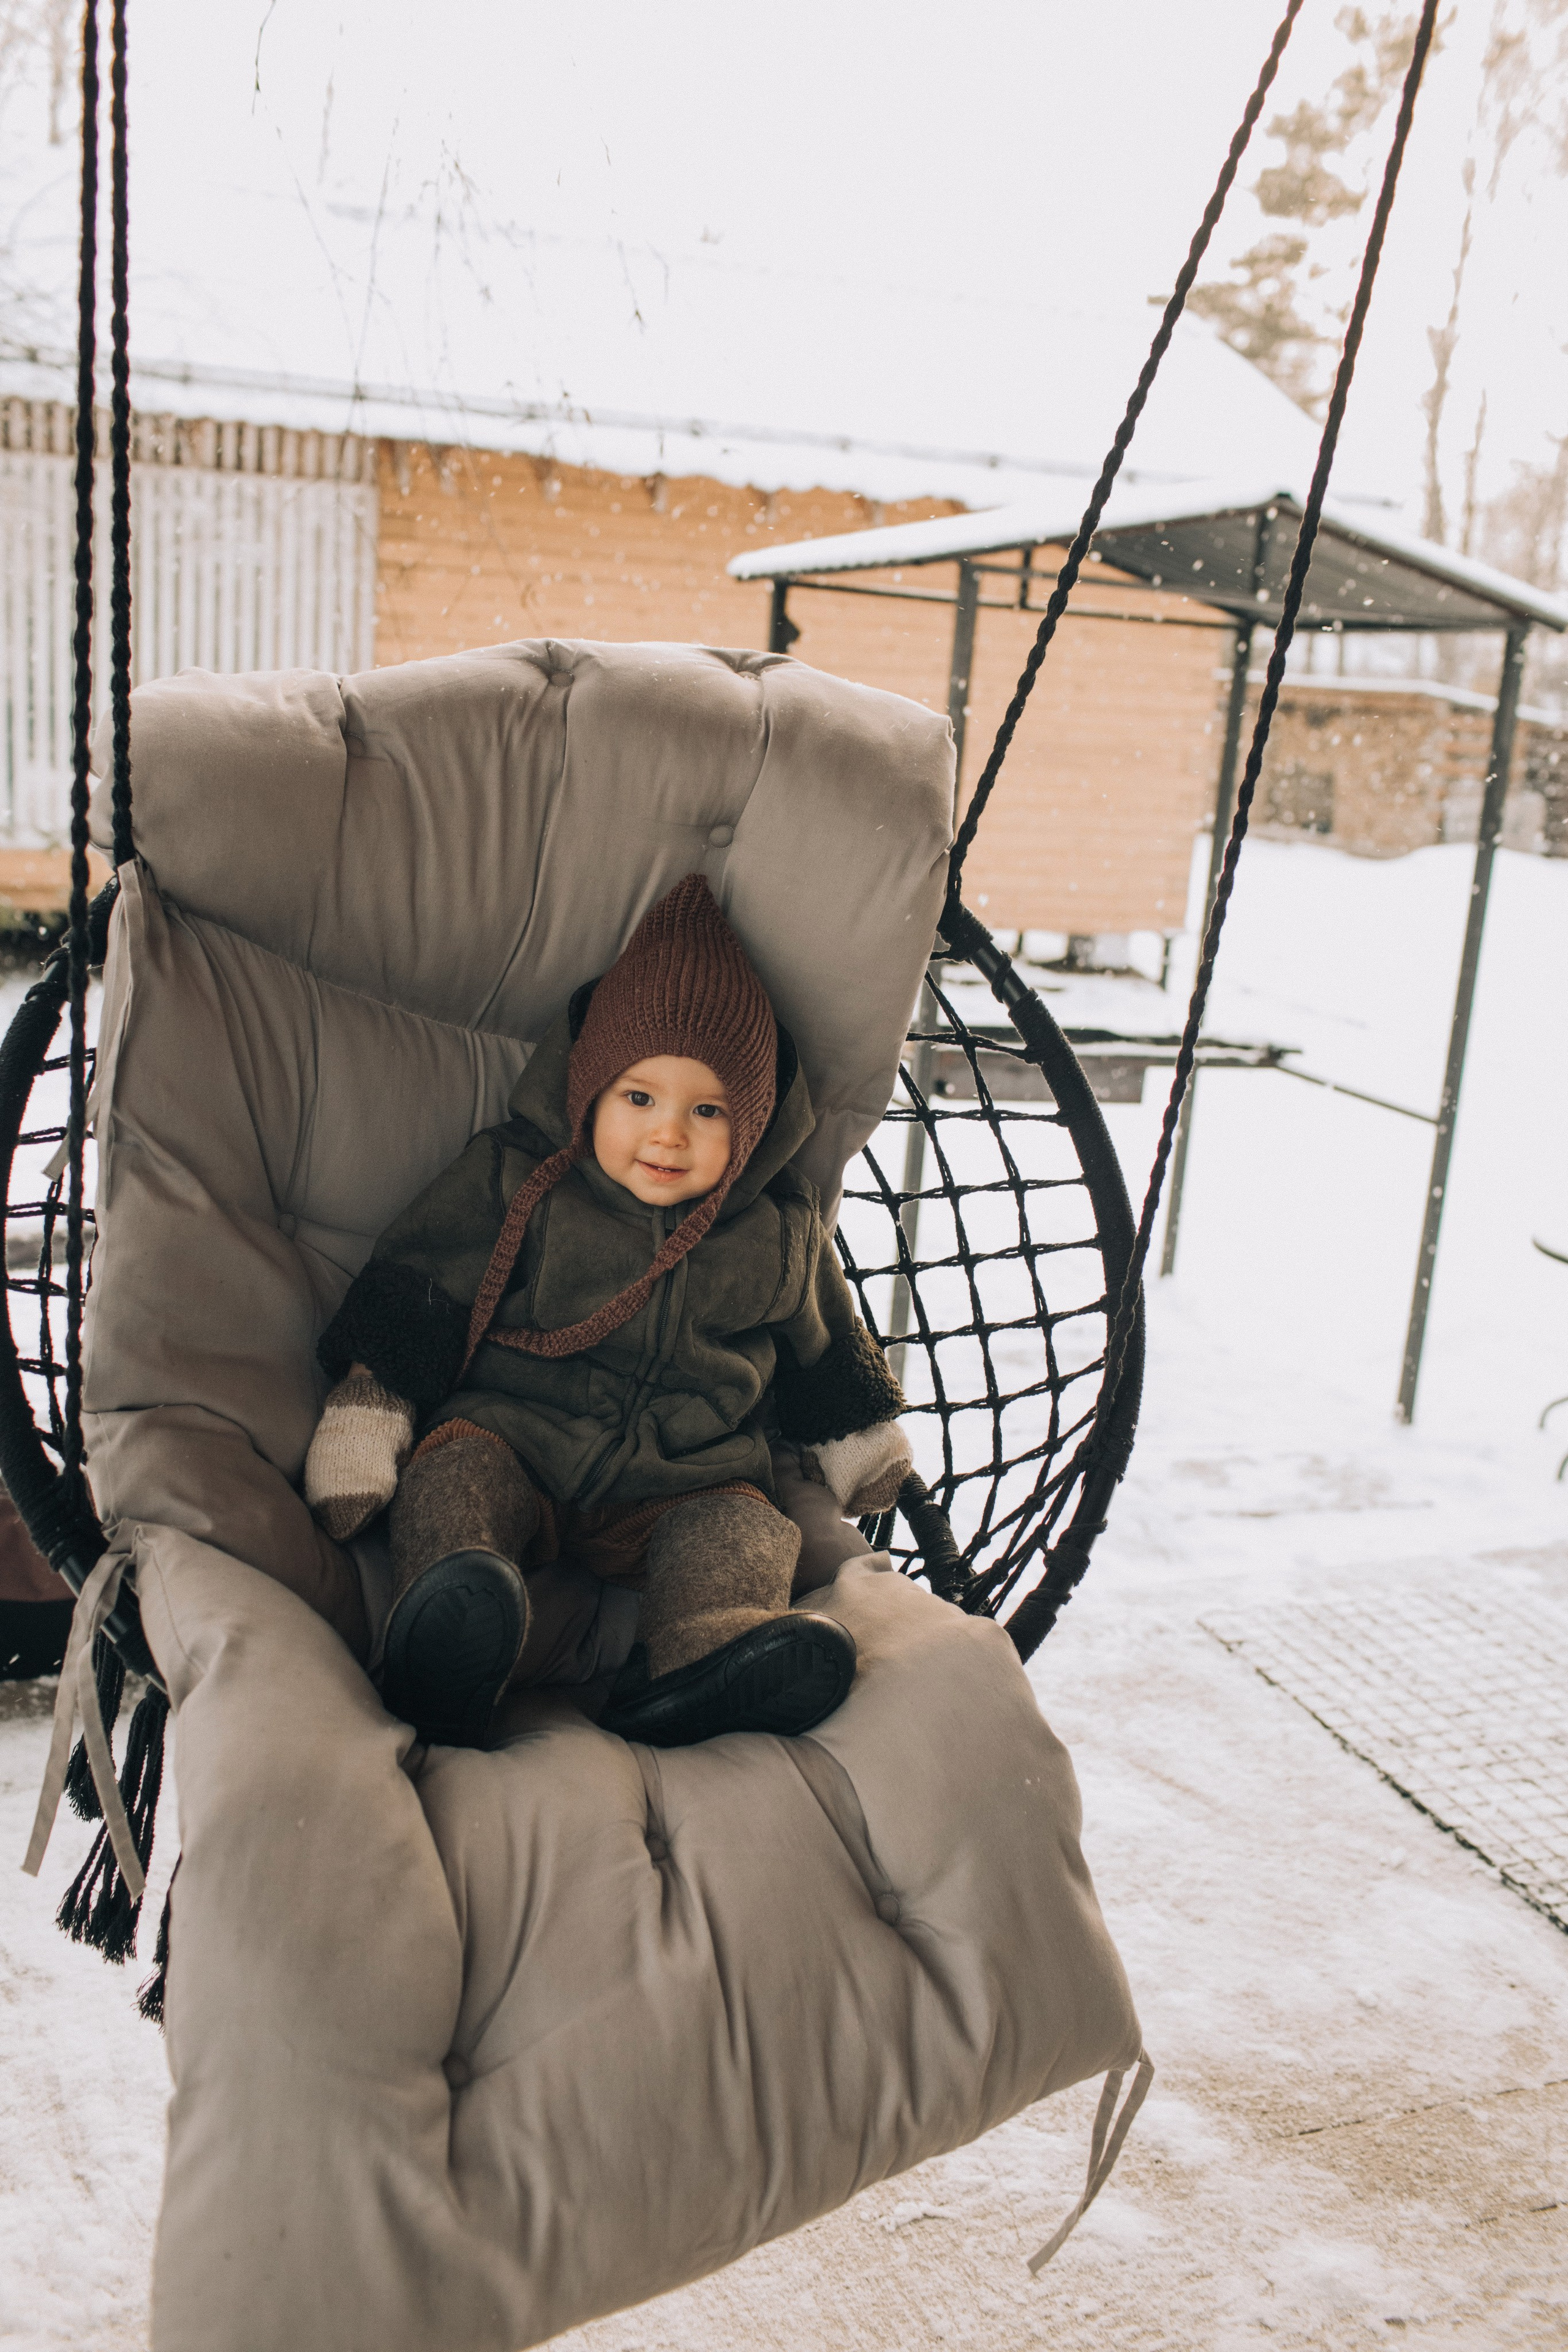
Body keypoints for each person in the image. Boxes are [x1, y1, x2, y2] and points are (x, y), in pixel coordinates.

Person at [303, 873, 911, 1749]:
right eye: (640, 1099)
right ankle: (450, 1631)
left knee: (741, 1529)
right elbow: (420, 1287)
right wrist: (371, 1410)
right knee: (456, 1480)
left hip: (689, 1472)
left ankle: (704, 1661)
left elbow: (824, 1343)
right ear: (588, 1091)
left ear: (751, 1125)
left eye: (708, 1111)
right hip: (518, 1436)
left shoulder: (777, 1231)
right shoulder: (518, 1182)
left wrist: (862, 1439)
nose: (669, 1135)